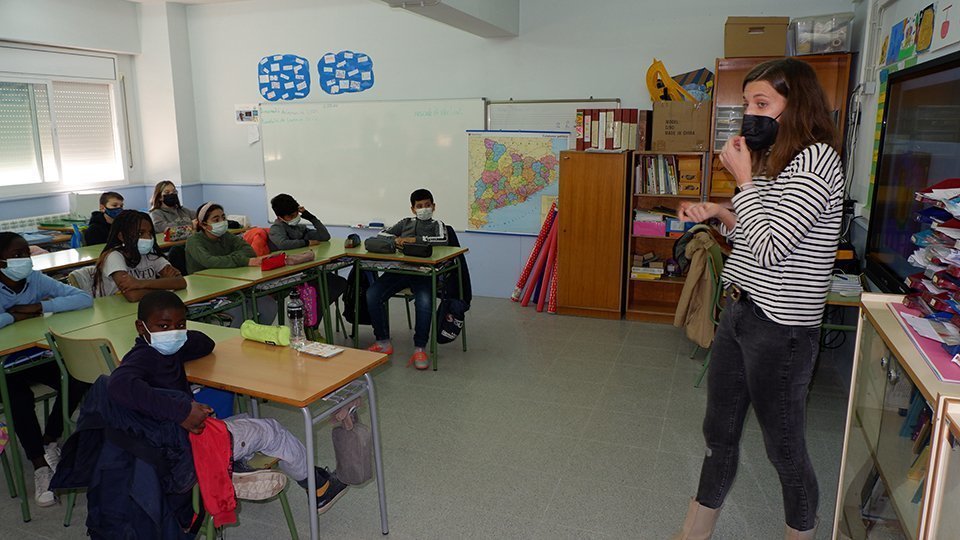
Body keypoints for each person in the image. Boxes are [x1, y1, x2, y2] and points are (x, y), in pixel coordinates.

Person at [672, 58, 844, 540]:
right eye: (748, 102)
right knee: (718, 433)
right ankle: (694, 531)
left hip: (782, 329)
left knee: (783, 447)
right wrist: (721, 213)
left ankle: (801, 533)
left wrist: (744, 182)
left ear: (799, 107)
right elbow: (756, 232)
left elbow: (771, 247)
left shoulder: (817, 161)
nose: (750, 112)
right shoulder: (780, 162)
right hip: (741, 313)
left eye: (762, 103)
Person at [106, 291, 347, 514]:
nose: (173, 332)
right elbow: (117, 384)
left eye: (180, 325)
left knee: (242, 421)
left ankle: (235, 466)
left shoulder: (164, 349)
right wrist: (181, 411)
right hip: (191, 448)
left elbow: (205, 343)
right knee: (273, 431)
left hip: (172, 446)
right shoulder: (142, 358)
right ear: (141, 327)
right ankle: (319, 487)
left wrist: (179, 335)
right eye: (163, 326)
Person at [0, 232, 93, 506]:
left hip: (32, 354)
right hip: (3, 364)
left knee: (77, 374)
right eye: (17, 255)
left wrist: (40, 306)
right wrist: (12, 316)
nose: (24, 260)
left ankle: (50, 438)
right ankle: (39, 465)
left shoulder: (33, 280)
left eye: (26, 254)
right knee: (18, 397)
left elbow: (83, 299)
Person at [365, 188, 450, 370]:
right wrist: (395, 240)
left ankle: (420, 348)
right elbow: (383, 234)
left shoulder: (438, 224)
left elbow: (443, 240)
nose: (424, 209)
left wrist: (415, 240)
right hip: (400, 271)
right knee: (373, 294)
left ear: (433, 206)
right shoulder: (405, 222)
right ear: (413, 209)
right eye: (419, 206)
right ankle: (383, 342)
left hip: (425, 273)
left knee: (425, 302)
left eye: (427, 205)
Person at [185, 201, 276, 325]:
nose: (222, 222)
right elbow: (210, 261)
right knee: (239, 312)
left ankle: (259, 338)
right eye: (216, 219)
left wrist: (228, 260)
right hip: (207, 291)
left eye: (223, 217)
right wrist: (240, 260)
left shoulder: (226, 236)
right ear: (204, 224)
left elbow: (249, 252)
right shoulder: (194, 241)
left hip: (231, 286)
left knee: (269, 306)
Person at [268, 193, 347, 307]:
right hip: (288, 274)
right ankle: (311, 317)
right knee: (321, 288)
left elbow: (324, 236)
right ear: (280, 217)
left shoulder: (299, 228)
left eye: (295, 214)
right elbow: (283, 244)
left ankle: (313, 316)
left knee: (339, 283)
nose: (294, 218)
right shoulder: (276, 229)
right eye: (290, 217)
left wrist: (311, 217)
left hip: (305, 270)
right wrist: (307, 242)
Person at [91, 210, 186, 301]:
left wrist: (140, 284)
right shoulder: (114, 256)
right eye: (140, 233)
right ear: (122, 236)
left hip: (145, 306)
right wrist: (167, 286)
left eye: (150, 233)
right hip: (114, 312)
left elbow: (181, 282)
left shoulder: (150, 256)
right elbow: (132, 296)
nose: (148, 238)